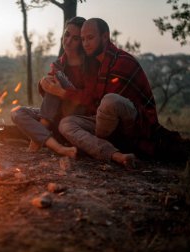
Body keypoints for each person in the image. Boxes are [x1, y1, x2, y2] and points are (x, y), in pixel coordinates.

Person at [57, 18, 160, 167]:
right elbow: (95, 104)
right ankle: (115, 155)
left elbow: (103, 104)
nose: (85, 43)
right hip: (105, 121)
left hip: (134, 123)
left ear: (105, 37)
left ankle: (92, 143)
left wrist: (66, 94)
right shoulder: (96, 63)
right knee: (66, 124)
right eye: (83, 39)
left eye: (90, 38)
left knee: (110, 101)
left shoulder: (122, 61)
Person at [11, 16, 92, 158]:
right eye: (66, 35)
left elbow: (91, 99)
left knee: (58, 77)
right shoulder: (58, 64)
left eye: (75, 38)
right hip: (57, 115)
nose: (68, 41)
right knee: (17, 113)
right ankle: (59, 148)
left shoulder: (91, 65)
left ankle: (37, 139)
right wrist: (43, 83)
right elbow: (50, 100)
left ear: (82, 42)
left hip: (78, 116)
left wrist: (62, 92)